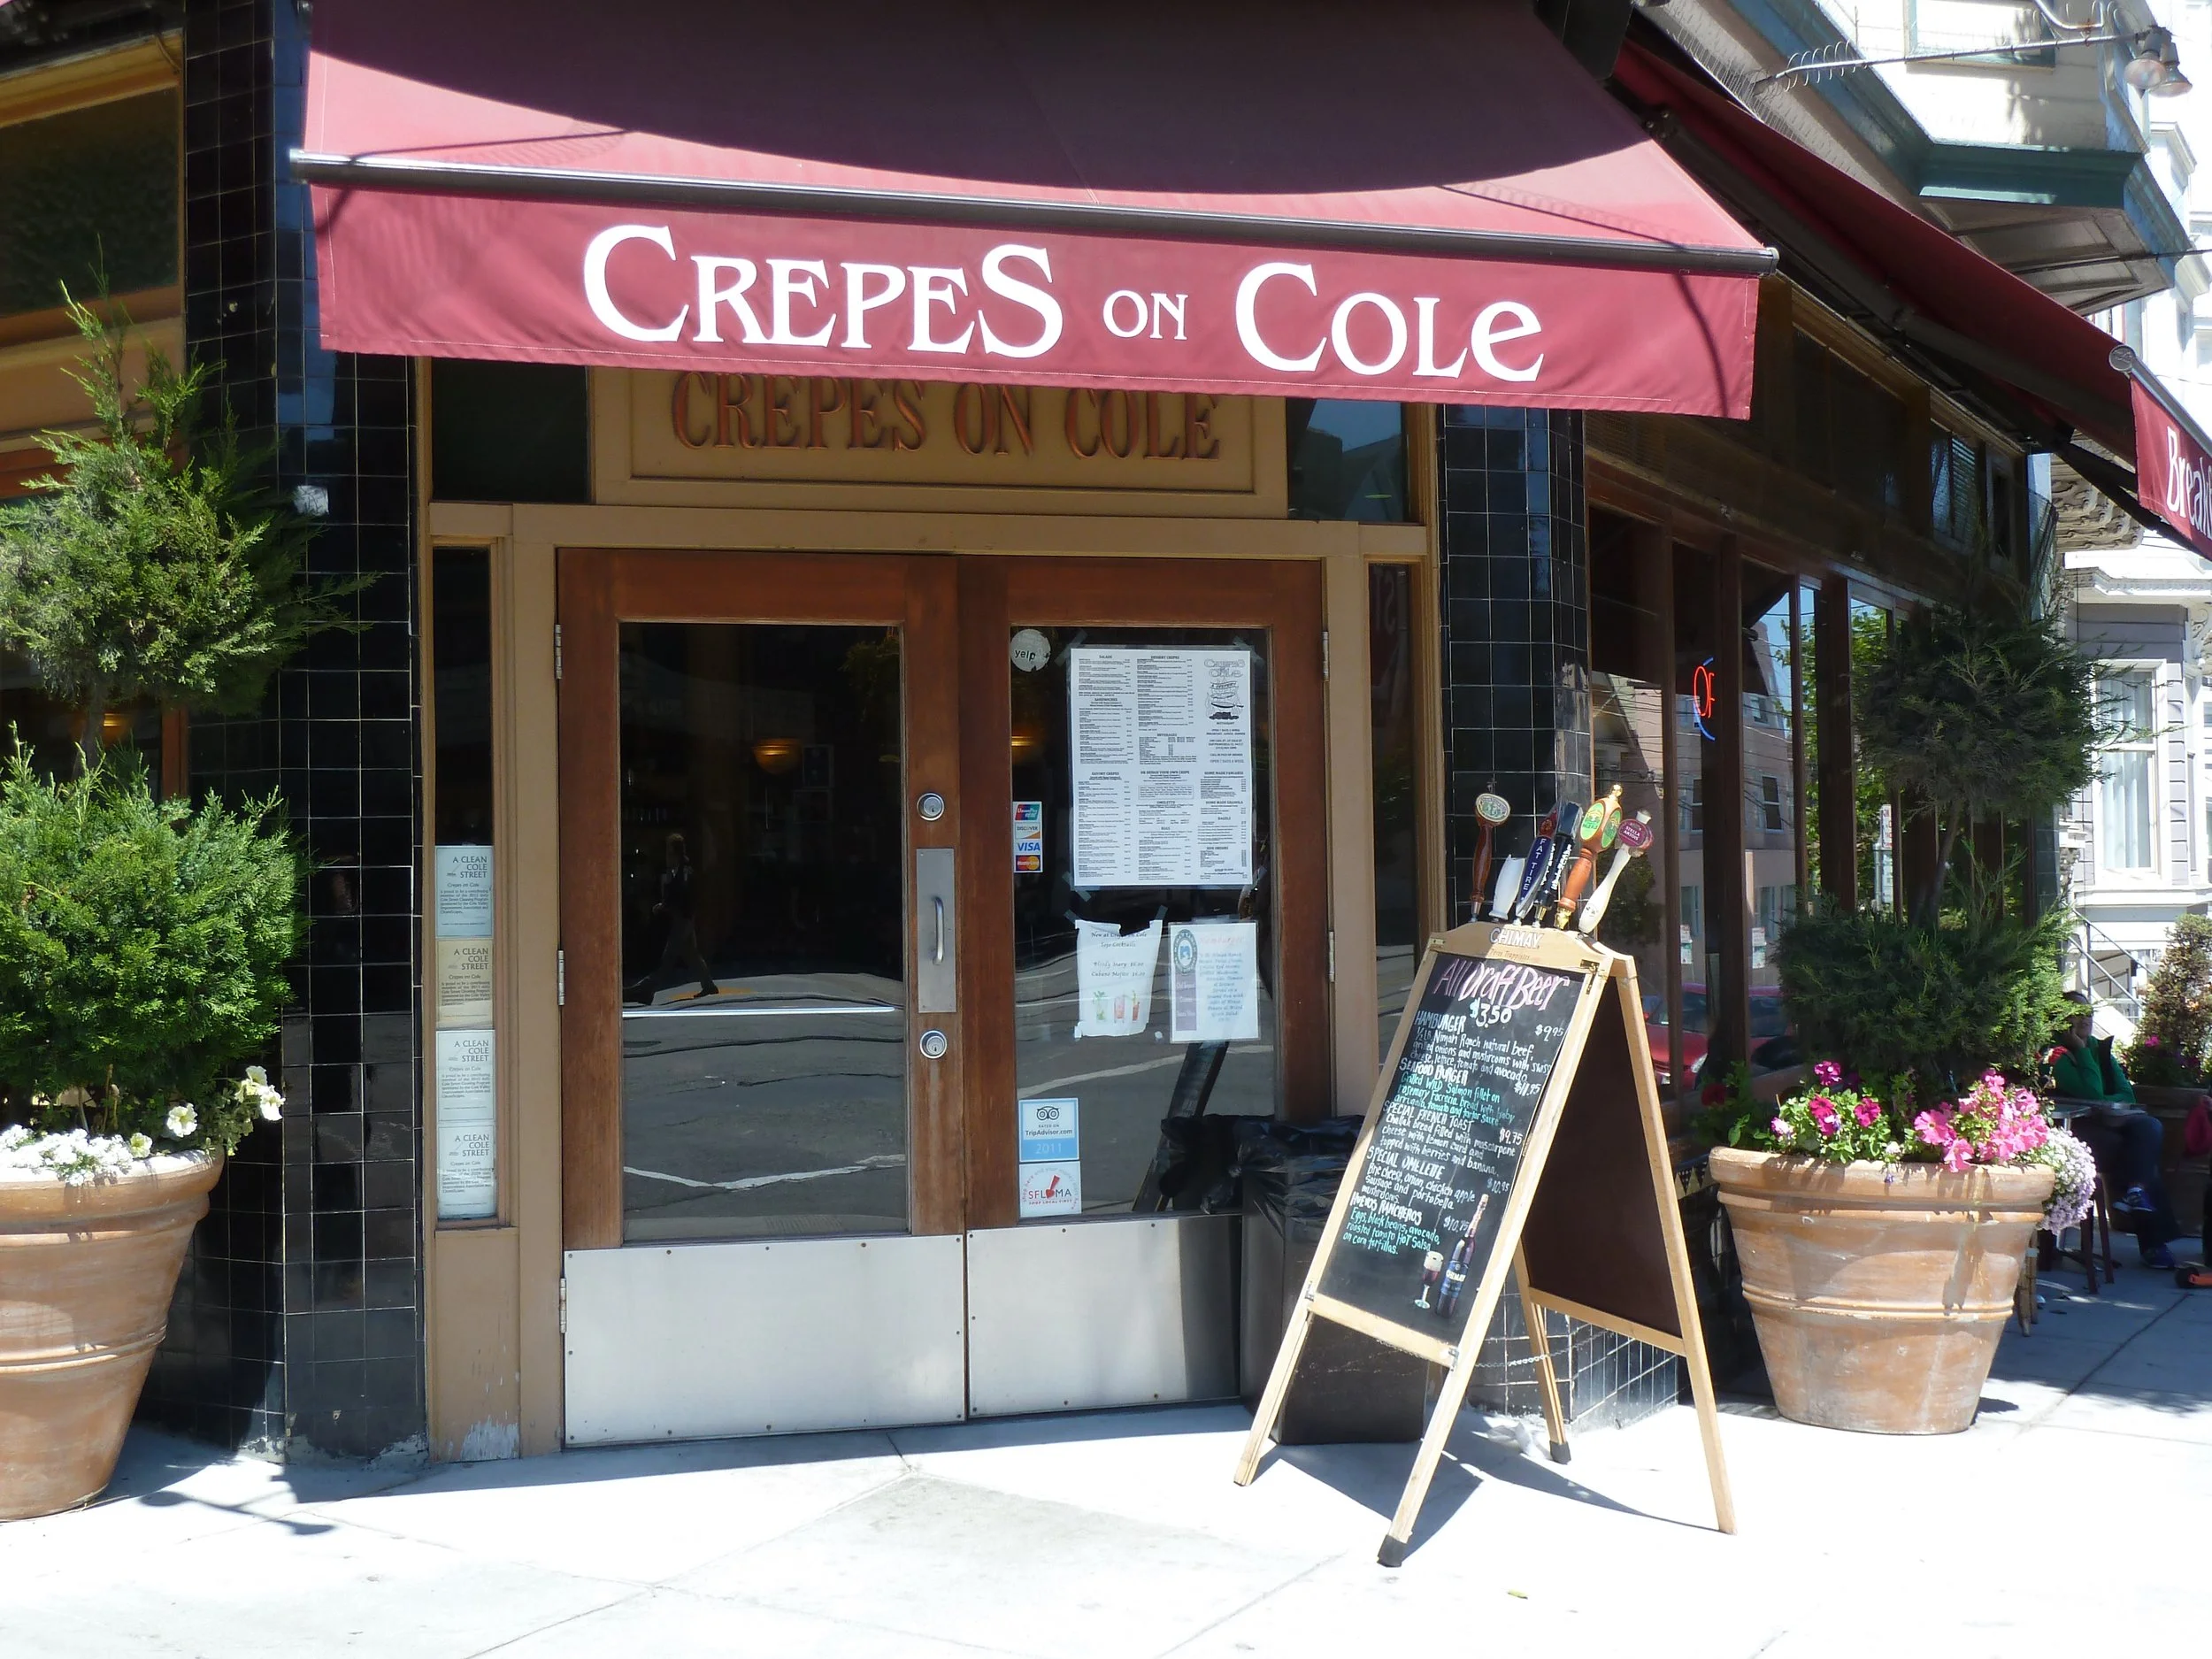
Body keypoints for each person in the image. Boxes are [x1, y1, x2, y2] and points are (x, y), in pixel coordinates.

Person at [2050, 992, 2181, 1270]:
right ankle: (2152, 1242)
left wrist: (2107, 1103)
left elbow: (2127, 1094)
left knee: (2150, 1126)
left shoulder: (2101, 1050)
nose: (2085, 1019)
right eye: (2077, 1014)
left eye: (2088, 1013)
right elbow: (2092, 1091)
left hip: (2112, 1123)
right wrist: (2081, 1050)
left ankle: (2134, 1191)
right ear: (2063, 1019)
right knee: (2138, 1159)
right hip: (2078, 1131)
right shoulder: (2059, 1055)